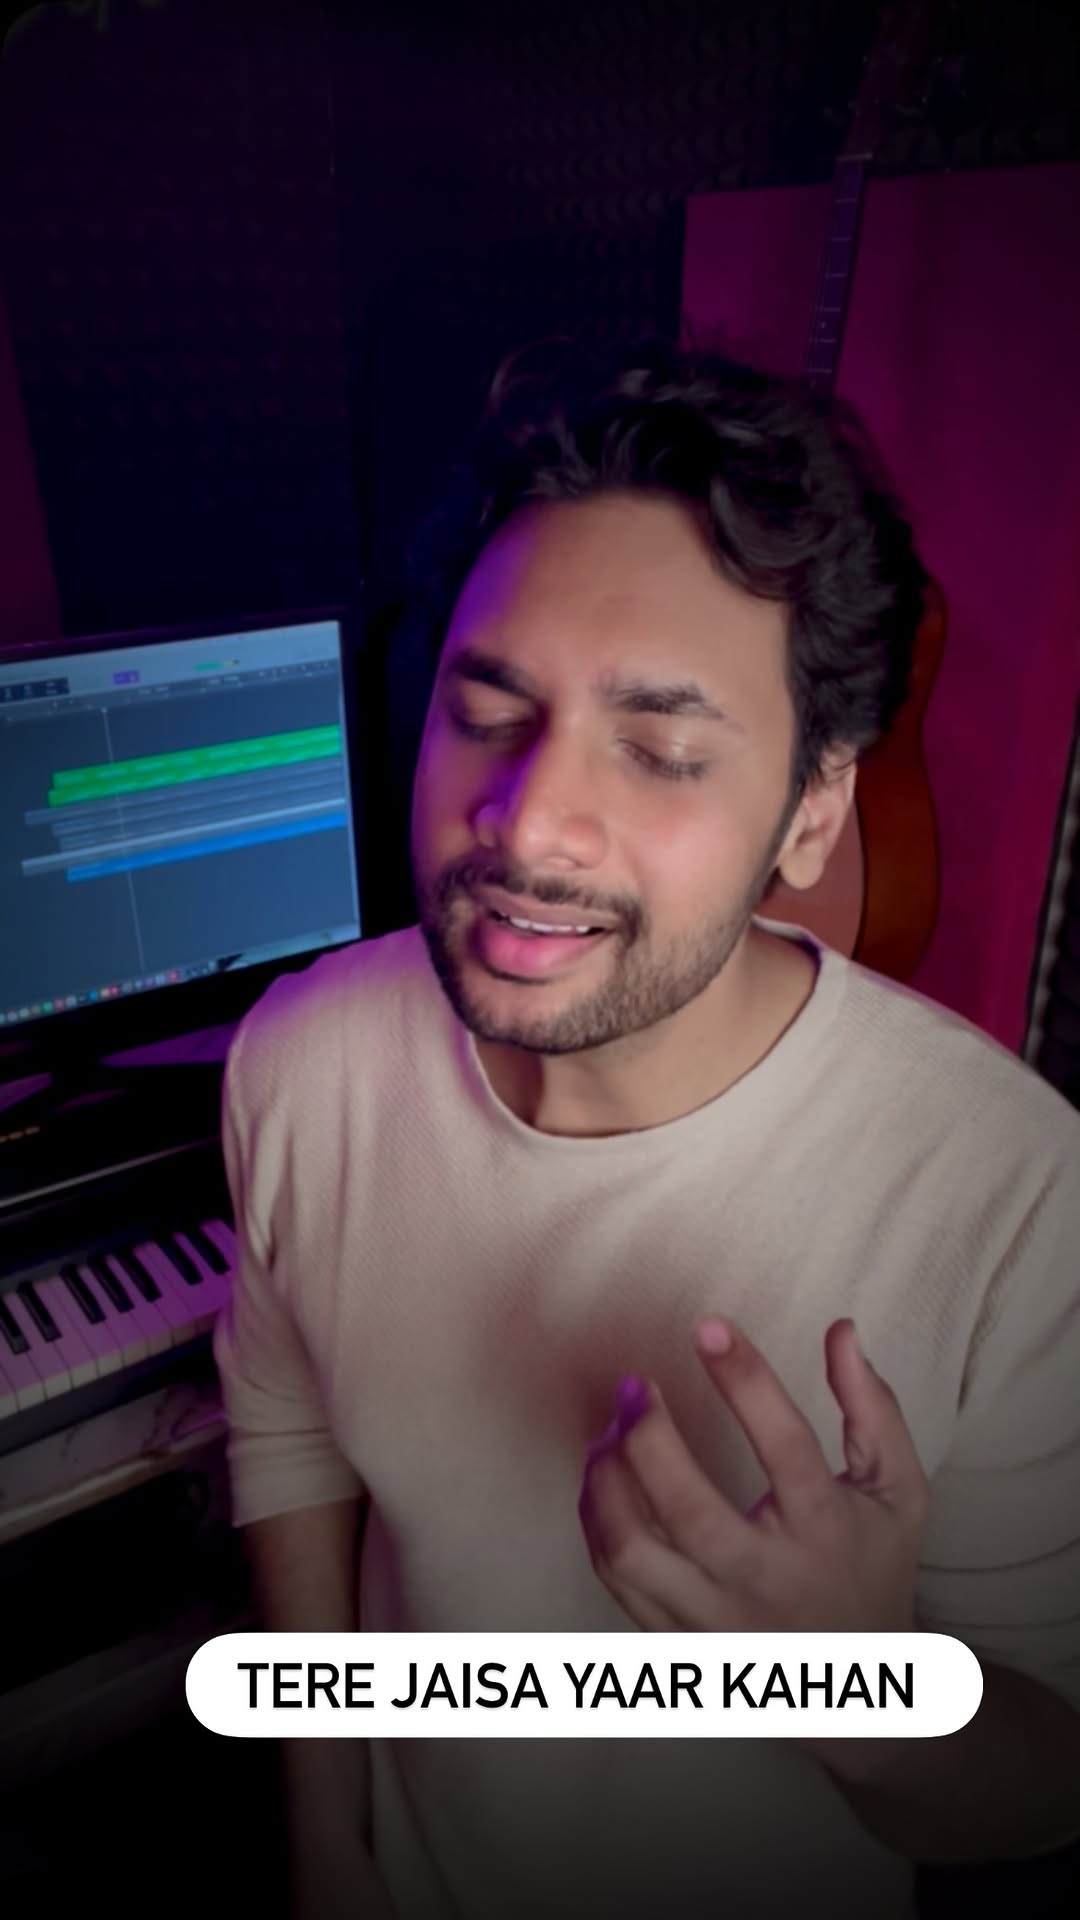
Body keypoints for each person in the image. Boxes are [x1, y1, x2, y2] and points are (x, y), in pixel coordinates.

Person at [212, 343, 1080, 1920]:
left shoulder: (1013, 1196)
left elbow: (1046, 1778)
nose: (527, 820)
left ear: (813, 809)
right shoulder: (299, 1063)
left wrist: (865, 1692)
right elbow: (288, 1422)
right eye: (487, 712)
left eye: (664, 751)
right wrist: (324, 1836)